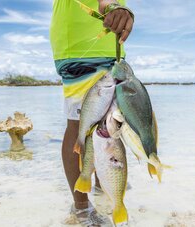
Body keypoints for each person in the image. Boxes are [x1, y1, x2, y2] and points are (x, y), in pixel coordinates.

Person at [50, 0, 134, 226]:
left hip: (112, 41)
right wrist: (111, 5)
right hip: (82, 41)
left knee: (110, 126)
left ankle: (104, 194)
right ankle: (81, 209)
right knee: (80, 126)